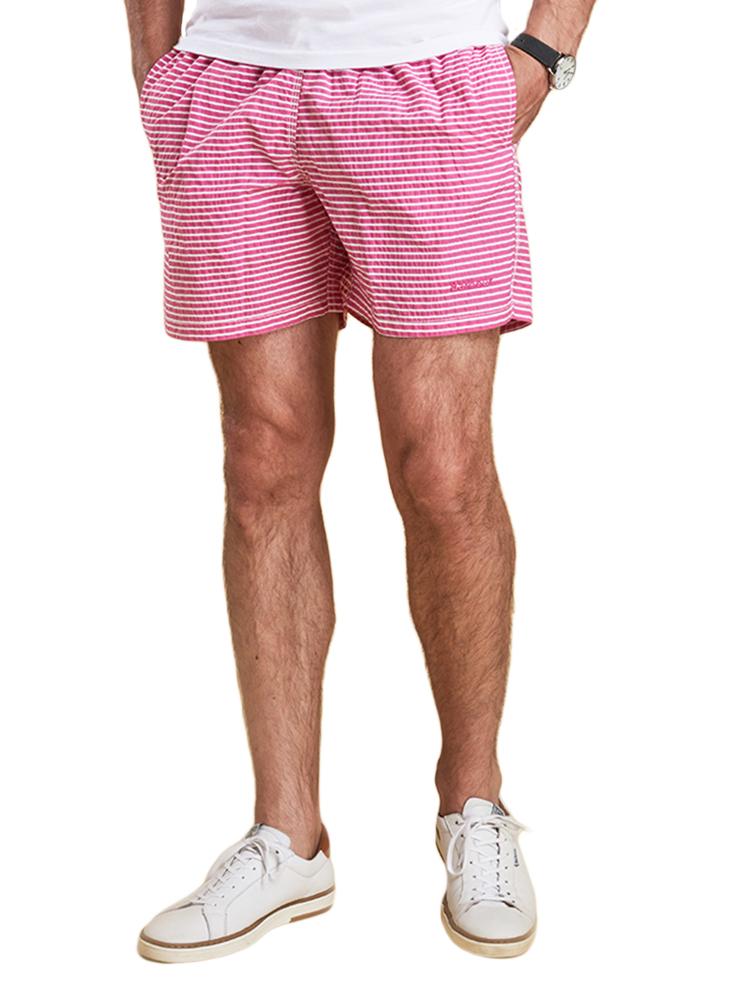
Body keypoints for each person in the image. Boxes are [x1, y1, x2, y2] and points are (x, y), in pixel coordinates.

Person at [125, 0, 595, 962]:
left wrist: (547, 51)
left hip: (427, 79)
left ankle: (474, 806)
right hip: (232, 82)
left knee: (443, 468)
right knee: (262, 460)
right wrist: (157, 65)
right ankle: (287, 837)